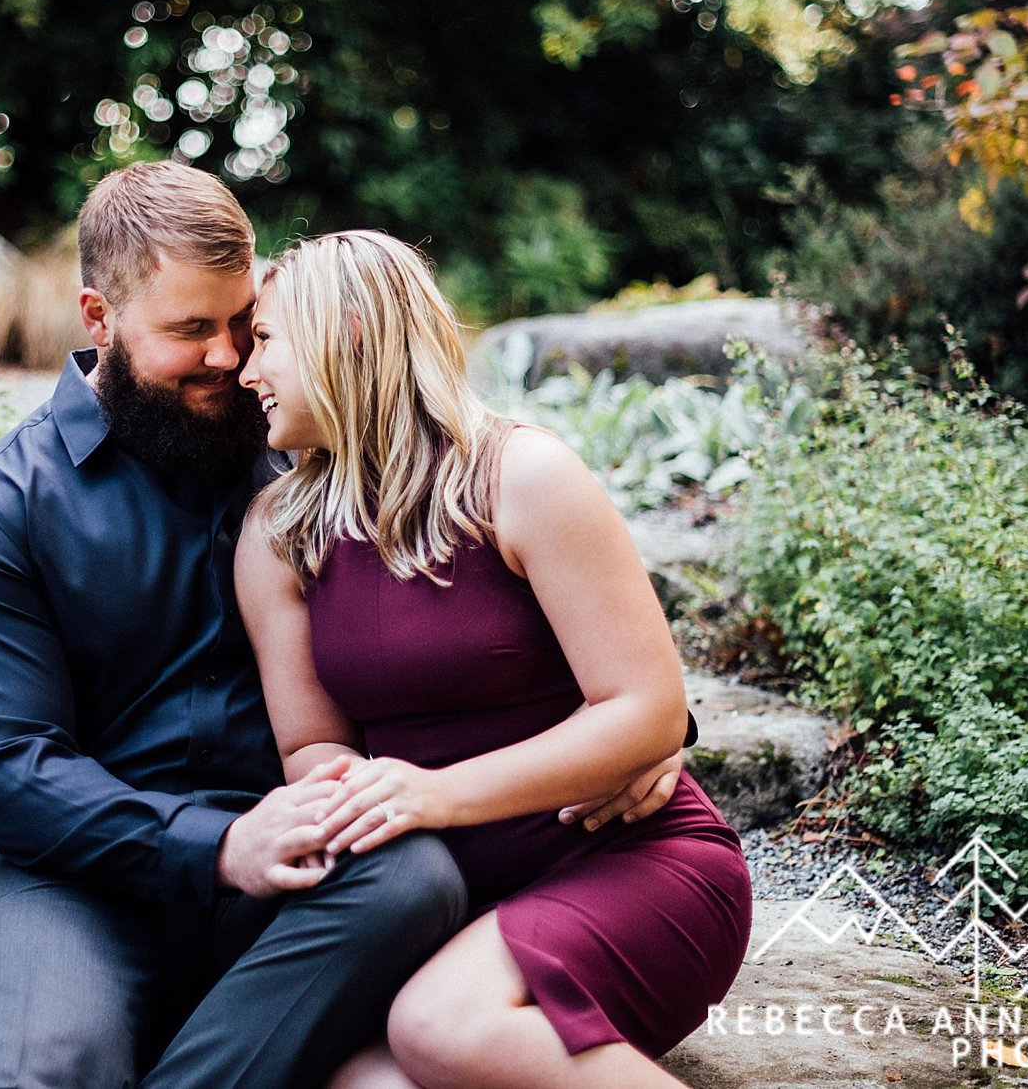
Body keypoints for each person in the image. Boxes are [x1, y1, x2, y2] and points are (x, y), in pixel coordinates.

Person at [0, 163, 686, 1089]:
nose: (228, 359)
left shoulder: (311, 454)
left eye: (243, 325)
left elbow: (507, 632)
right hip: (74, 878)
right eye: (189, 330)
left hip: (303, 871)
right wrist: (213, 845)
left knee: (411, 879)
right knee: (37, 1071)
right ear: (99, 318)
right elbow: (10, 771)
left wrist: (654, 738)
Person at [235, 229, 753, 1089]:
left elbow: (647, 708)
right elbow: (312, 749)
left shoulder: (523, 476)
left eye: (265, 339)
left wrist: (437, 793)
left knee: (442, 1025)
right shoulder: (277, 535)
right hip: (442, 904)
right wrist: (352, 806)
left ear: (349, 330)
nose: (247, 370)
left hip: (631, 865)